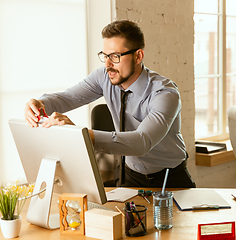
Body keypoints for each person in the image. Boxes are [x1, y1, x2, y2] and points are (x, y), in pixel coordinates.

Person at [24, 20, 196, 188]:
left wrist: (83, 135)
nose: (107, 64)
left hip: (170, 179)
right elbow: (68, 98)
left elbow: (141, 142)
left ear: (138, 56)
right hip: (129, 176)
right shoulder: (104, 76)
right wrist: (40, 103)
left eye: (115, 56)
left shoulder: (165, 93)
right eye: (105, 56)